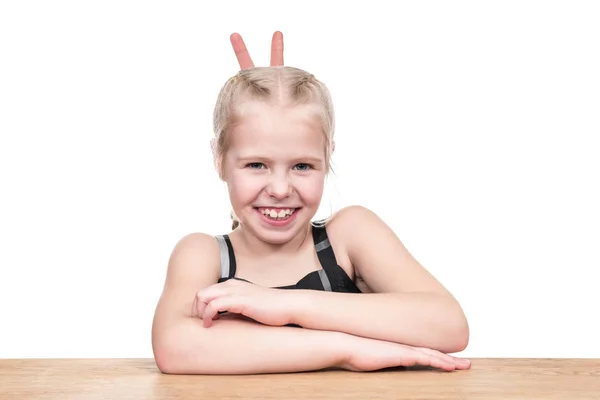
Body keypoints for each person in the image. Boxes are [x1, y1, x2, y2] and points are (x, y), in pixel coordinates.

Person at [151, 31, 471, 375]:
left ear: (327, 156)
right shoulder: (203, 254)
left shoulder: (349, 236)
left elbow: (449, 326)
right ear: (219, 160)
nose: (278, 188)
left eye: (302, 166)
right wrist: (346, 349)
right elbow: (175, 347)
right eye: (256, 164)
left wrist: (284, 305)